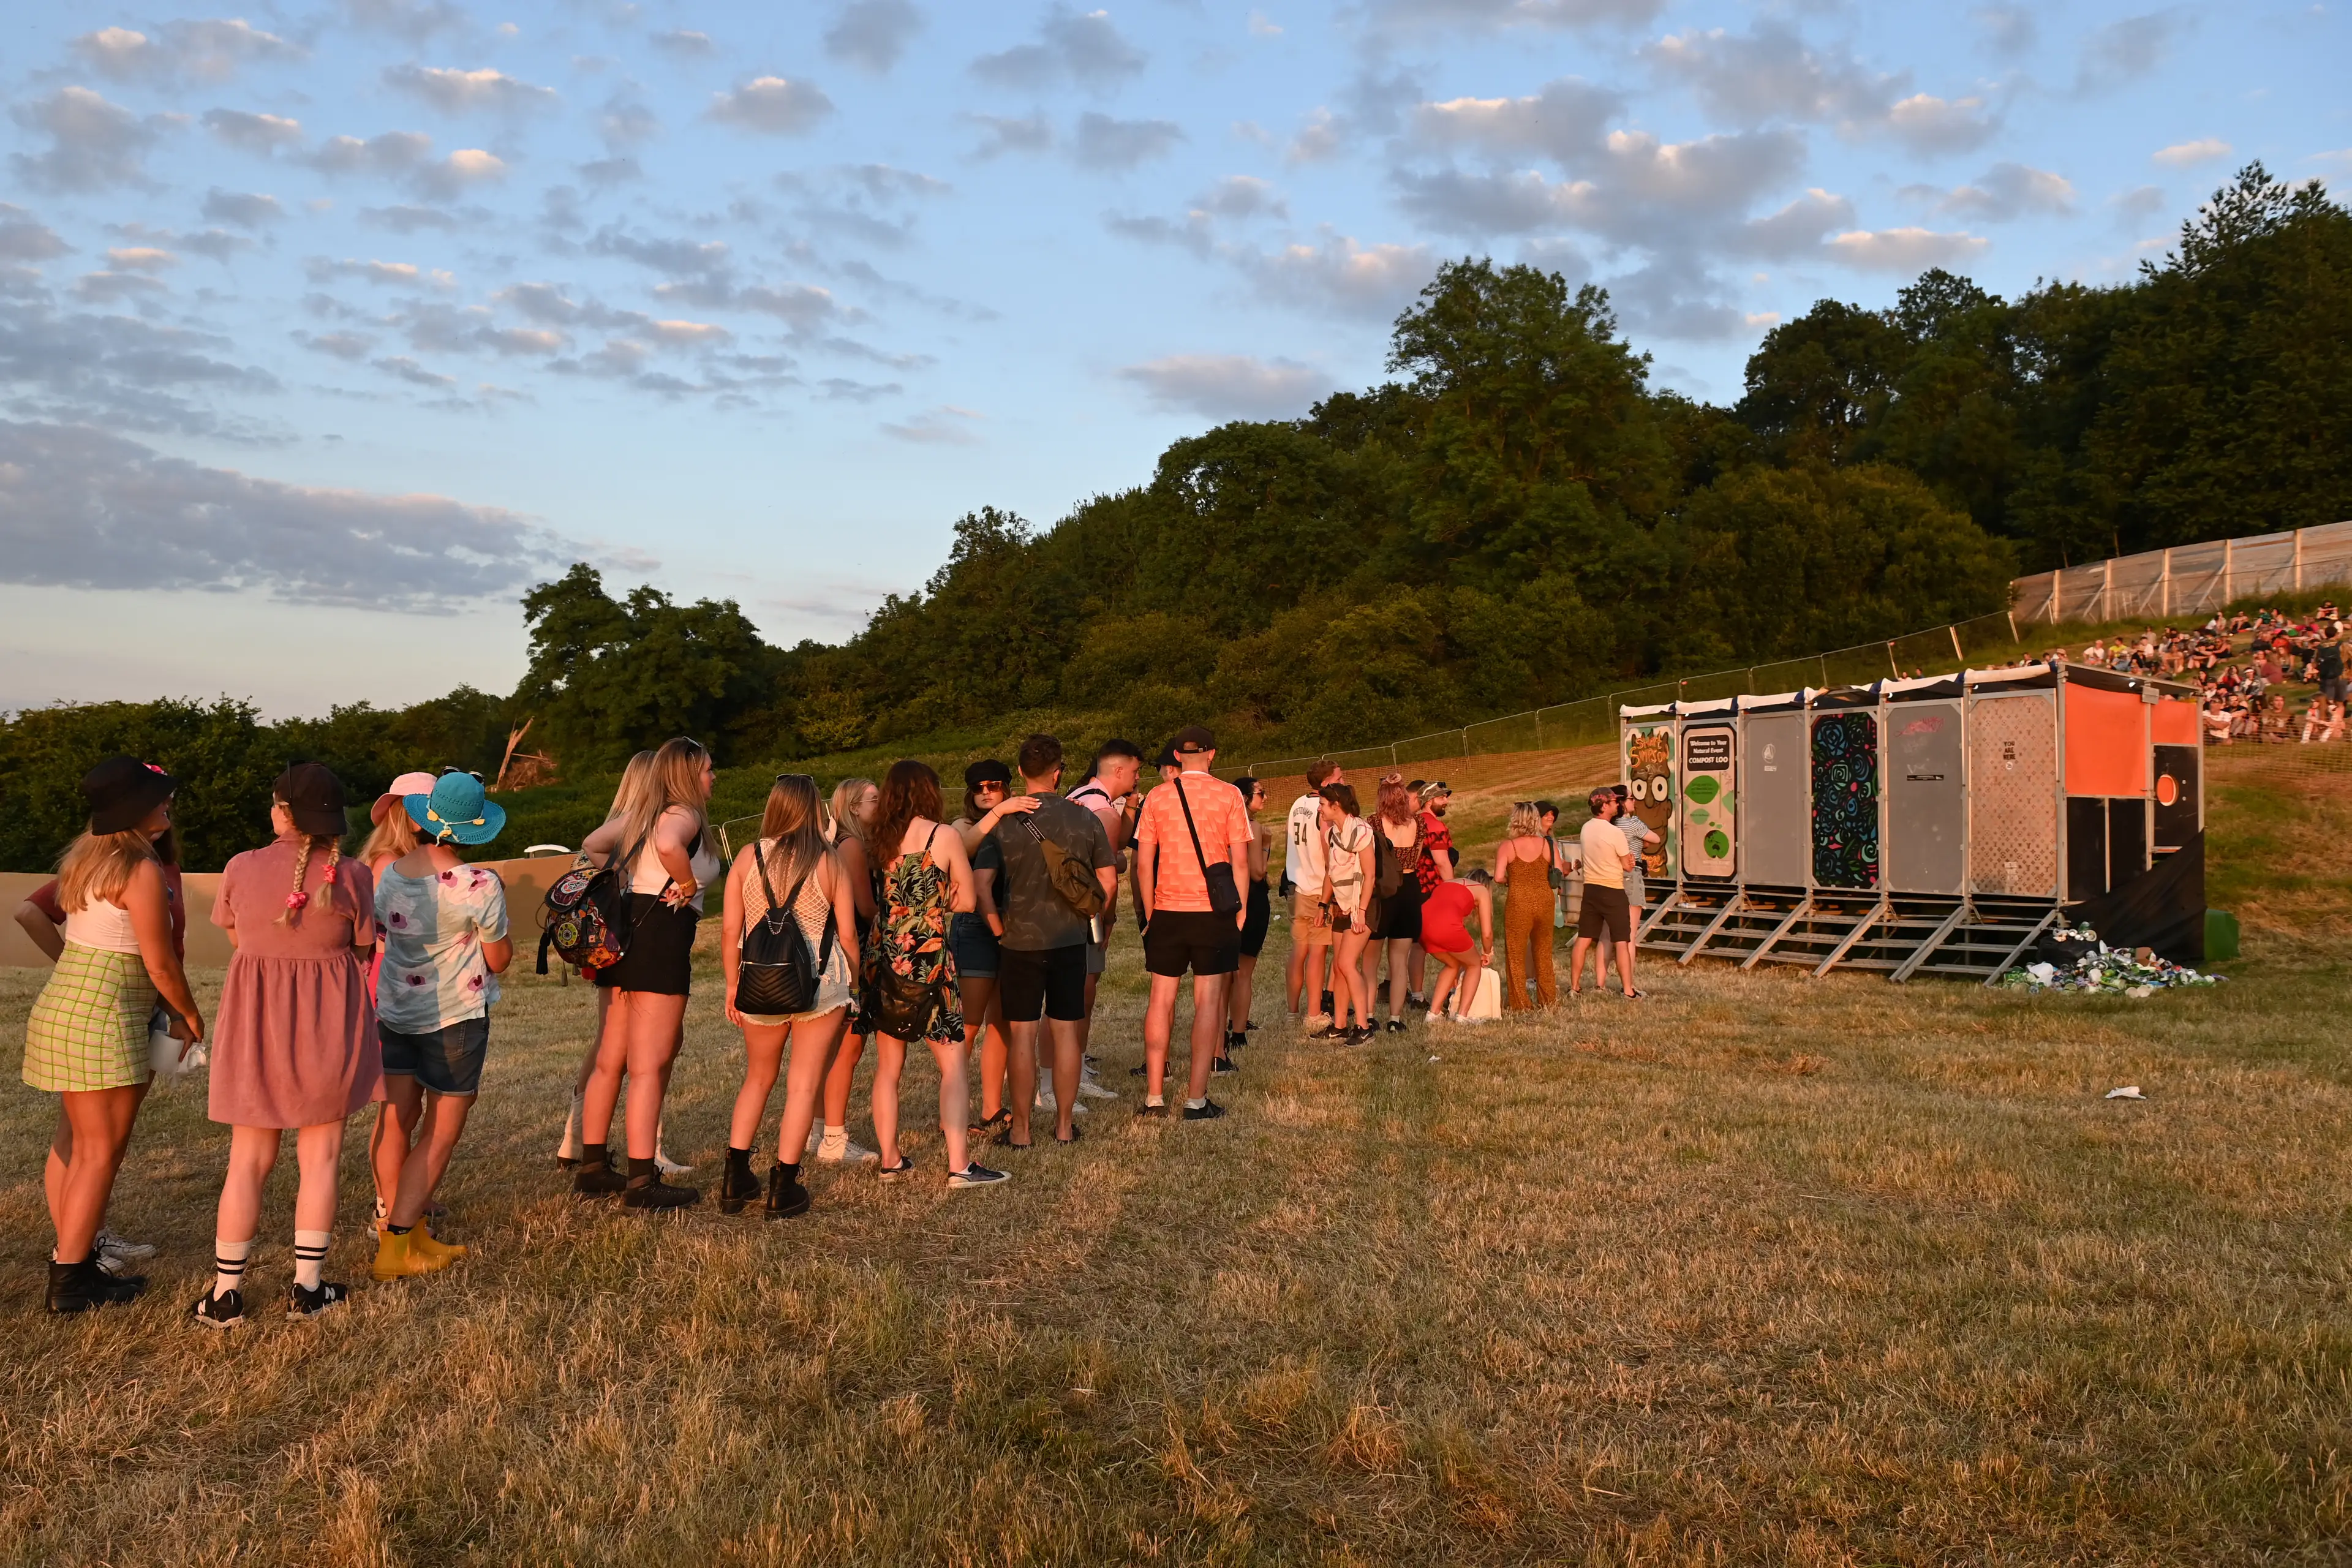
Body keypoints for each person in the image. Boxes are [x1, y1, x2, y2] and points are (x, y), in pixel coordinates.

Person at [194, 764, 378, 1327]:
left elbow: (234, 934)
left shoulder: (241, 867)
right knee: (319, 1158)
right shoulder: (353, 874)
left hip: (255, 1028)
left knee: (247, 1161)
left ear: (281, 813)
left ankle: (225, 1295)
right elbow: (365, 946)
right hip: (329, 1029)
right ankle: (307, 1288)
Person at [21, 757, 204, 1314]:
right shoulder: (142, 871)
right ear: (138, 808)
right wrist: (189, 1015)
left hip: (68, 1010)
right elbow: (159, 963)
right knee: (101, 1151)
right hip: (105, 1018)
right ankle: (72, 1280)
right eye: (160, 798)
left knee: (74, 1143)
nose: (168, 805)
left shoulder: (87, 862)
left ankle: (72, 1262)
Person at [368, 770, 511, 1281]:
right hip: (455, 1017)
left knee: (395, 1121)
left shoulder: (389, 874)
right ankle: (399, 1245)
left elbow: (382, 934)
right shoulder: (481, 883)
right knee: (442, 1129)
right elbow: (499, 960)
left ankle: (398, 1226)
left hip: (396, 1011)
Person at [571, 737, 720, 1210]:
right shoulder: (683, 814)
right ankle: (641, 1179)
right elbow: (667, 844)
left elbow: (594, 843)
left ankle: (593, 1166)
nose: (713, 778)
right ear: (687, 773)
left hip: (625, 932)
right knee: (649, 1065)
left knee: (610, 1058)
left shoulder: (642, 812)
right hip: (662, 935)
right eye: (708, 770)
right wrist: (688, 882)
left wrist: (621, 879)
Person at [717, 773, 863, 1219]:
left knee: (758, 1078)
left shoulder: (747, 857)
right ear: (815, 808)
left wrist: (731, 984)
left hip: (759, 981)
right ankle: (784, 1185)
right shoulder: (828, 859)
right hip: (819, 981)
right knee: (802, 1085)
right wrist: (854, 984)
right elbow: (849, 933)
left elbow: (729, 930)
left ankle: (735, 1177)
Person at [861, 761, 1006, 1187]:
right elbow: (965, 902)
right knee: (952, 1063)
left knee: (888, 1066)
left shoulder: (878, 838)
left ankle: (890, 1159)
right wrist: (935, 902)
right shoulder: (942, 835)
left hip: (885, 955)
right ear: (928, 791)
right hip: (928, 957)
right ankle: (960, 1164)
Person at [556, 752, 687, 1175]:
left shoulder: (619, 824)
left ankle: (582, 1142)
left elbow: (590, 852)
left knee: (609, 1048)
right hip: (644, 943)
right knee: (650, 1056)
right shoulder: (651, 821)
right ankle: (647, 1156)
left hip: (607, 947)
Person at [989, 734, 1118, 1147]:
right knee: (1065, 1033)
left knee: (1023, 1036)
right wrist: (1089, 914)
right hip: (1069, 939)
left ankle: (1022, 1129)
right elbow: (1109, 881)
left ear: (1022, 772)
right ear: (1059, 772)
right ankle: (1064, 1126)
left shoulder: (1004, 820)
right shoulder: (1084, 817)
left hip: (1019, 941)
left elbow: (981, 881)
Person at [1133, 726, 1253, 1116]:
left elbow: (1143, 862)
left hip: (1167, 909)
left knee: (1161, 1000)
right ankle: (1196, 1099)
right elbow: (1239, 861)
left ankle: (1154, 1096)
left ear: (1178, 758)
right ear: (1212, 755)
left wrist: (1151, 912)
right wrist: (1241, 910)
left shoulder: (1157, 796)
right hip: (1213, 913)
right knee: (1207, 1003)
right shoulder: (1230, 795)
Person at [949, 761, 1037, 1137]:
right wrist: (1001, 811)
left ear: (1008, 785)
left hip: (1012, 925)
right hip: (974, 928)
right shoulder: (961, 826)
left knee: (1001, 1023)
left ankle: (990, 1108)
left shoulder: (1018, 822)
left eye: (995, 785)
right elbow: (965, 847)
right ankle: (950, 1113)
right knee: (967, 1026)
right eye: (979, 787)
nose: (986, 791)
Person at [810, 776, 882, 1165]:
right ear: (853, 807)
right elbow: (865, 908)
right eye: (874, 800)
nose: (881, 804)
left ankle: (818, 1129)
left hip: (828, 954)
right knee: (847, 1048)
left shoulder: (832, 842)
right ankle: (835, 1138)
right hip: (850, 954)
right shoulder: (851, 846)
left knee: (830, 1048)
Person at [1066, 739, 1143, 1092]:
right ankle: (1075, 1070)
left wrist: (1130, 811)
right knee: (1084, 991)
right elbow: (1109, 871)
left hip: (1061, 906)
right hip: (1088, 910)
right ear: (1119, 770)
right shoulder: (1103, 811)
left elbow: (1116, 847)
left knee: (1071, 990)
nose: (1138, 777)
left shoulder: (1080, 795)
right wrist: (1108, 923)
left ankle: (1072, 1065)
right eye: (1136, 771)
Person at [1316, 780, 1378, 1044]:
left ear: (1336, 805)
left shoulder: (1362, 831)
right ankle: (1339, 1025)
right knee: (1340, 968)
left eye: (1322, 804)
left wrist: (1361, 911)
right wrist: (1323, 904)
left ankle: (1363, 1027)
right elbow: (1332, 872)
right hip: (1341, 906)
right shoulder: (1334, 834)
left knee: (1347, 964)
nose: (1319, 809)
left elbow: (1370, 875)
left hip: (1362, 905)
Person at [1568, 788, 1641, 1001]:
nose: (1618, 805)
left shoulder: (1585, 828)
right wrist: (1627, 862)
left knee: (1584, 938)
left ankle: (1575, 987)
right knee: (1621, 940)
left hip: (1591, 889)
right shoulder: (1615, 832)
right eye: (1614, 802)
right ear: (1604, 805)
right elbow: (1628, 865)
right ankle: (1628, 990)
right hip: (1613, 889)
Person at [1284, 760, 1341, 1028]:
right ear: (1327, 782)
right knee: (1318, 954)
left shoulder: (1297, 804)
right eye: (1339, 778)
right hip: (1320, 889)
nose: (1343, 782)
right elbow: (1329, 851)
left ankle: (1293, 1011)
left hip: (1297, 885)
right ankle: (1314, 1013)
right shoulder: (1325, 809)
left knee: (1299, 951)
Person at [1368, 775, 1423, 1031]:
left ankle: (1368, 1014)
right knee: (1399, 960)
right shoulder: (1419, 823)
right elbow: (1417, 856)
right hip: (1410, 888)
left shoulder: (1373, 823)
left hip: (1384, 889)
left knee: (1371, 960)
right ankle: (1395, 1019)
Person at [1221, 777, 1272, 1057]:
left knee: (1225, 972)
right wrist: (1265, 845)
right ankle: (1238, 1031)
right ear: (1244, 797)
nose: (1264, 798)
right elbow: (1257, 872)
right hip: (1251, 900)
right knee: (1244, 973)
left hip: (1226, 898)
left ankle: (1222, 1027)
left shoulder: (1221, 822)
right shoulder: (1251, 827)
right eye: (1260, 794)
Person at [1494, 802, 1558, 1010]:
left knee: (1515, 953)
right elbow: (1557, 869)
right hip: (1545, 900)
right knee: (1543, 952)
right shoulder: (1548, 845)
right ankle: (1548, 1000)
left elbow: (1498, 877)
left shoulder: (1508, 846)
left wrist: (1514, 879)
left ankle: (1521, 1003)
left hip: (1519, 901)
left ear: (1516, 820)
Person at [1419, 850, 1493, 1023]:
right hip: (1447, 926)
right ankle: (1463, 1016)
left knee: (1452, 964)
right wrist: (1488, 952)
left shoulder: (1450, 883)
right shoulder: (1481, 891)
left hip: (1421, 924)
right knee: (1474, 965)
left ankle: (1433, 1013)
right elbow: (1487, 933)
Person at [1408, 782, 1454, 1005]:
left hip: (1410, 888)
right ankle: (1453, 992)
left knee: (1417, 945)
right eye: (1441, 798)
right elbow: (1442, 863)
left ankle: (1417, 995)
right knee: (1449, 939)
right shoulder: (1435, 827)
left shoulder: (1411, 822)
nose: (1446, 801)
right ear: (1429, 801)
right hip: (1431, 890)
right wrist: (1454, 889)